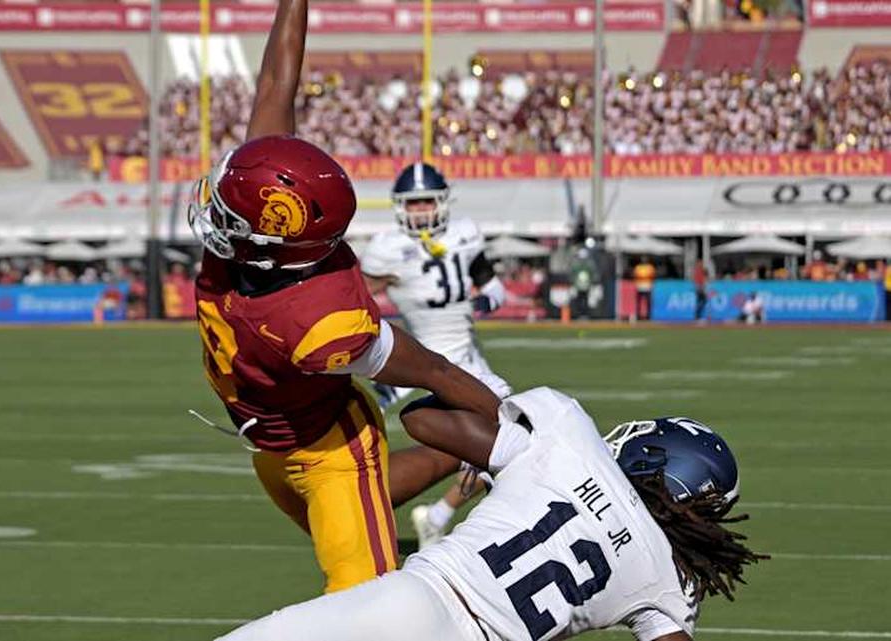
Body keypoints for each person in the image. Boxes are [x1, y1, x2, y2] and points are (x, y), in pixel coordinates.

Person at [189, 0, 502, 594]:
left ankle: (472, 449)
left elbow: (431, 366)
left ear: (273, 242)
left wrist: (511, 426)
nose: (216, 216)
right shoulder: (264, 238)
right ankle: (452, 455)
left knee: (365, 608)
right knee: (370, 502)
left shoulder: (324, 319)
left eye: (230, 214)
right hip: (269, 439)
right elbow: (277, 82)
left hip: (329, 449)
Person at [217, 388, 767, 641]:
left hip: (416, 604)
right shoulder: (669, 579)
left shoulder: (570, 438)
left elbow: (422, 421)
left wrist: (497, 440)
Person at [359, 161, 509, 549]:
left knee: (501, 444)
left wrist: (488, 298)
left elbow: (489, 282)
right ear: (399, 207)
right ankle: (411, 513)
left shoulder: (465, 234)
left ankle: (438, 516)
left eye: (427, 201)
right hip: (429, 365)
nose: (422, 210)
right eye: (414, 203)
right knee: (502, 440)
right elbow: (357, 298)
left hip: (471, 360)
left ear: (442, 201)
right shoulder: (389, 248)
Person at [633, 256, 655, 321]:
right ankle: (638, 316)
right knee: (638, 303)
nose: (644, 260)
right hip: (639, 287)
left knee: (648, 302)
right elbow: (635, 276)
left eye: (645, 259)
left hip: (648, 287)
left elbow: (652, 276)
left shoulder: (650, 267)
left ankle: (649, 316)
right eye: (643, 259)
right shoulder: (638, 267)